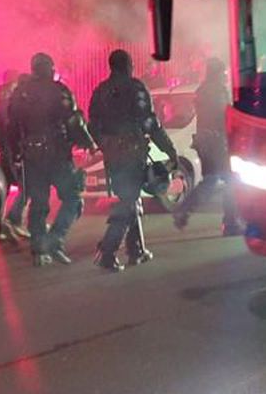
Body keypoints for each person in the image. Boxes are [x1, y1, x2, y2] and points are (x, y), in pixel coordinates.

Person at [89, 49, 178, 272]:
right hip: (131, 154)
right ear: (128, 65)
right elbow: (149, 122)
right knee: (128, 202)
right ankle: (107, 252)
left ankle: (136, 250)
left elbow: (93, 126)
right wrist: (169, 149)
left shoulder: (100, 91)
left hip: (113, 157)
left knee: (130, 199)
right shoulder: (136, 88)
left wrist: (106, 145)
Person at [8, 52, 94, 266]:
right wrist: (89, 143)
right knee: (73, 198)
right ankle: (55, 239)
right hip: (57, 156)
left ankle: (40, 250)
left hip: (31, 157)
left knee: (38, 204)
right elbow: (74, 122)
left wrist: (16, 154)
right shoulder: (59, 91)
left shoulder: (20, 93)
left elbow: (11, 126)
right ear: (50, 68)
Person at [173, 57, 244, 235]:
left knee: (214, 180)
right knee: (229, 181)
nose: (226, 76)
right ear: (218, 73)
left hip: (206, 142)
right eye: (224, 73)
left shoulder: (202, 90)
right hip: (218, 142)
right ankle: (230, 223)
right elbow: (224, 115)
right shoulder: (217, 91)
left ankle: (186, 210)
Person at [0, 69, 28, 241]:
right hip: (12, 150)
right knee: (26, 186)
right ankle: (15, 220)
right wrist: (16, 149)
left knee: (3, 189)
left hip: (4, 150)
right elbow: (13, 127)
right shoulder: (10, 100)